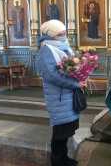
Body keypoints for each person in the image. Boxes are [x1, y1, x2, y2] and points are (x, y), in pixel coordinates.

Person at [37, 20, 81, 166]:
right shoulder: (46, 50)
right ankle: (57, 161)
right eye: (60, 34)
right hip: (59, 98)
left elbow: (71, 68)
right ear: (51, 35)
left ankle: (64, 158)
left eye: (64, 33)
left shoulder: (63, 46)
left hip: (68, 96)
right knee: (60, 132)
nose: (64, 36)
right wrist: (76, 83)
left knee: (67, 131)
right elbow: (52, 75)